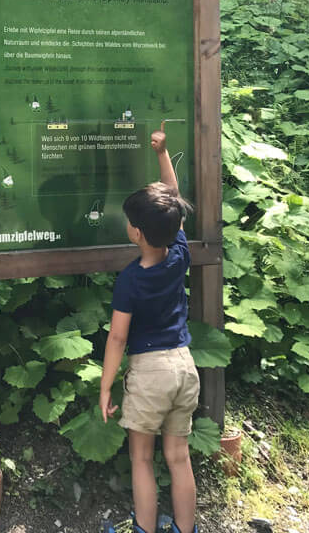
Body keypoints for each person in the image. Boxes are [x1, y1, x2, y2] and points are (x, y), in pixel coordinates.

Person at [100, 124, 199, 533]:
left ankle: (145, 528)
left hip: (150, 373)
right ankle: (186, 529)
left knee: (142, 458)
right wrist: (162, 154)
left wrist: (106, 388)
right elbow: (172, 200)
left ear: (136, 233)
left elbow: (118, 337)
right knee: (178, 457)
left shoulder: (131, 280)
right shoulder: (179, 252)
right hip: (183, 366)